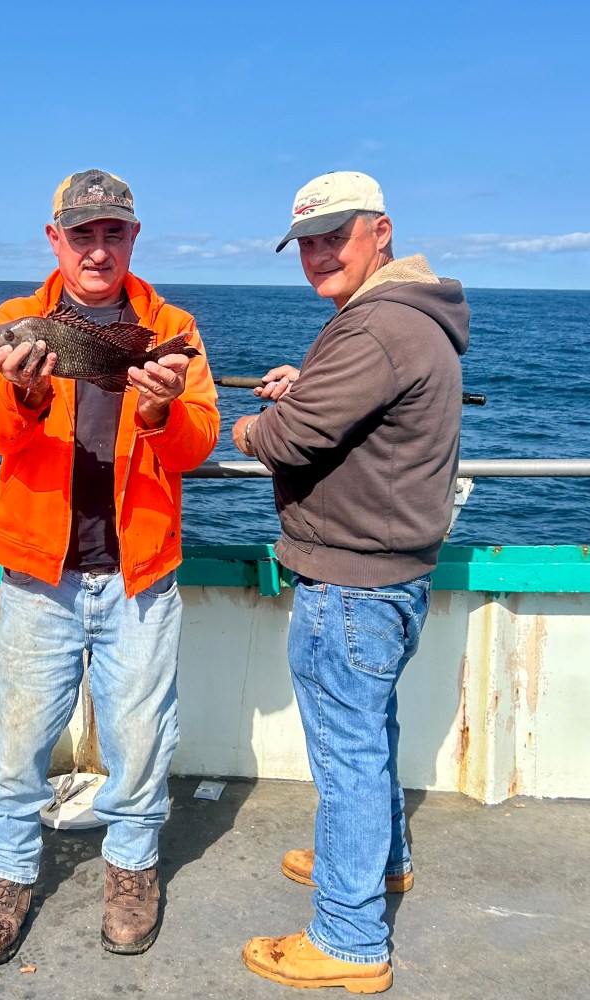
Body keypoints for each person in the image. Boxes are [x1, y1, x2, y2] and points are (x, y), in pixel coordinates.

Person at [0, 169, 219, 966]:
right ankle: (7, 874)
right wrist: (27, 398)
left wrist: (156, 410)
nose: (98, 248)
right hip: (39, 575)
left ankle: (132, 869)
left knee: (140, 737)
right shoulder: (16, 323)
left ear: (133, 238)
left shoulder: (172, 327)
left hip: (140, 574)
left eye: (113, 232)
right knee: (17, 737)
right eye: (83, 234)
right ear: (56, 241)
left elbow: (199, 440)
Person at [233, 171, 469, 993]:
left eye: (336, 234)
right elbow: (359, 413)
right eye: (306, 241)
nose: (319, 253)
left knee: (348, 758)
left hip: (350, 582)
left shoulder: (371, 328)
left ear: (382, 231)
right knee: (370, 737)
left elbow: (288, 441)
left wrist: (252, 422)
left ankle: (347, 938)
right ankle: (379, 860)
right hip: (391, 576)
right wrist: (307, 389)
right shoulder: (411, 319)